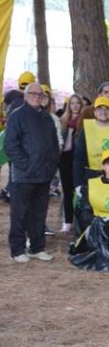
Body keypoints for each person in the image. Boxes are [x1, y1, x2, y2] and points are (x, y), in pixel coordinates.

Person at [5, 83, 60, 262]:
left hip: (44, 174)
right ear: (26, 95)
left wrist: (52, 166)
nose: (37, 96)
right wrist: (26, 165)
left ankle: (37, 247)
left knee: (39, 213)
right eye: (33, 93)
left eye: (40, 94)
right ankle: (18, 249)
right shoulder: (17, 116)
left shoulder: (47, 118)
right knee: (19, 213)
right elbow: (10, 146)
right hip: (23, 175)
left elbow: (53, 145)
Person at [73, 96, 109, 189]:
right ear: (95, 112)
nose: (103, 112)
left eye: (107, 109)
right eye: (100, 109)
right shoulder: (87, 129)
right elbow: (78, 158)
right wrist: (78, 184)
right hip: (93, 175)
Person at [58, 94, 84, 232]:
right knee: (67, 192)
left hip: (78, 160)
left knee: (80, 191)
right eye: (72, 103)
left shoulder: (85, 122)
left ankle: (80, 221)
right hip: (65, 160)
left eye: (77, 103)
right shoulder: (62, 121)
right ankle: (67, 221)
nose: (75, 106)